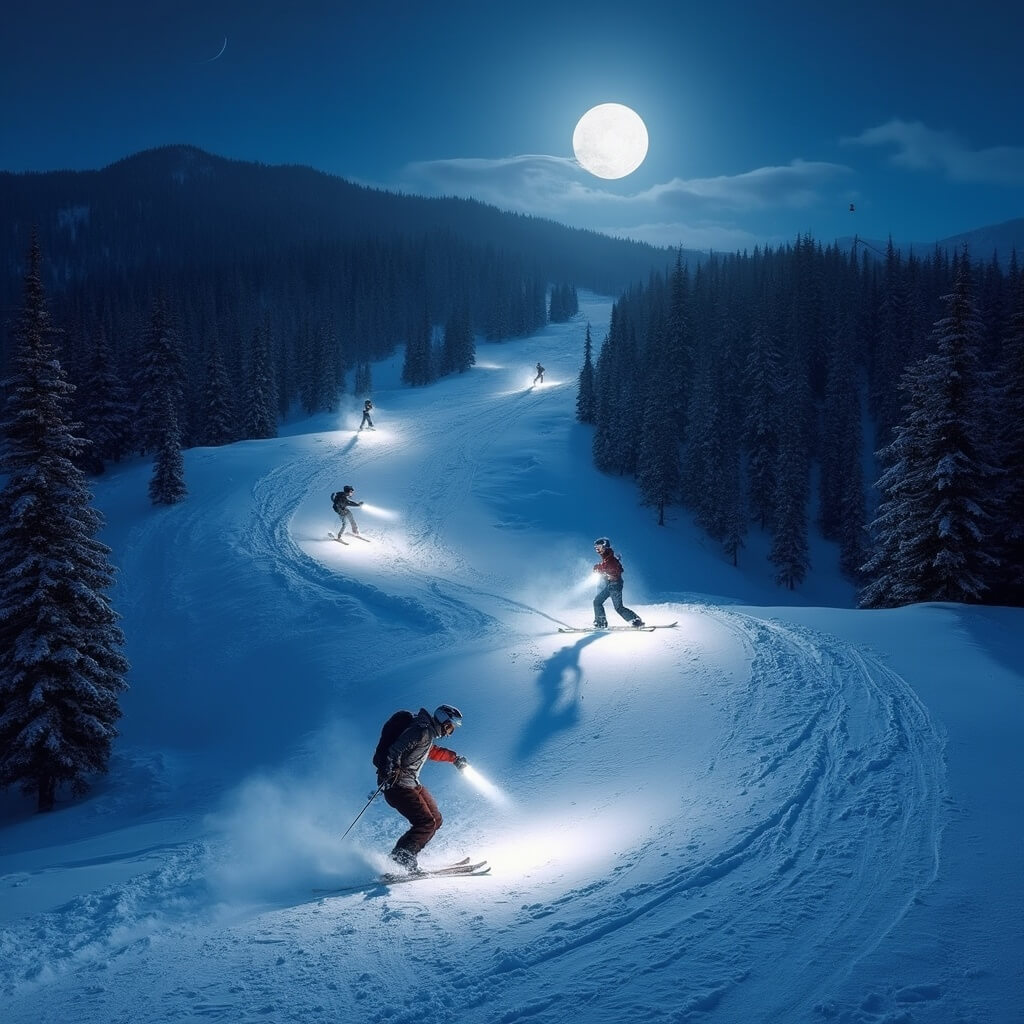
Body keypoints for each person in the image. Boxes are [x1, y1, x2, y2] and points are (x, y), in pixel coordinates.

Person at [378, 705, 469, 873]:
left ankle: (406, 855)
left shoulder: (427, 734)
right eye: (450, 727)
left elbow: (431, 752)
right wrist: (389, 770)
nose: (450, 732)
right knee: (426, 822)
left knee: (436, 820)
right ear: (443, 720)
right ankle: (401, 860)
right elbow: (395, 749)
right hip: (397, 785)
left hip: (411, 783)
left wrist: (454, 758)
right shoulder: (420, 731)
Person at [592, 537, 644, 628]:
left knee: (618, 607)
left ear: (605, 546)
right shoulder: (607, 558)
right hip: (610, 586)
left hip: (615, 585)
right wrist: (599, 567)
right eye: (596, 548)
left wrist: (602, 569)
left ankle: (635, 621)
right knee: (597, 602)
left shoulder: (610, 559)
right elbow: (608, 567)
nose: (597, 550)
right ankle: (601, 622)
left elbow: (616, 570)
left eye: (599, 547)